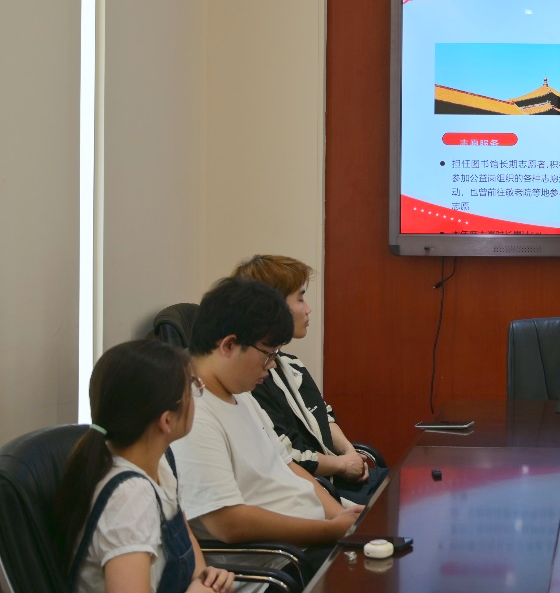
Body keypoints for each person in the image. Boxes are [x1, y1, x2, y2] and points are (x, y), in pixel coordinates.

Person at [171, 278, 361, 563]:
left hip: (312, 540)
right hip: (281, 561)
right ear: (229, 345)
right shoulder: (193, 415)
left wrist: (340, 516)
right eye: (268, 354)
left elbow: (287, 465)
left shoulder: (241, 394)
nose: (271, 366)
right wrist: (329, 531)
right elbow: (227, 523)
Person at [55, 339, 235, 593]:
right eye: (192, 388)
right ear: (166, 421)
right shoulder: (129, 499)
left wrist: (205, 578)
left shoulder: (160, 463)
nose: (197, 395)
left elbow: (187, 542)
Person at [230, 254, 387, 505]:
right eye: (300, 298)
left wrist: (350, 454)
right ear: (273, 307)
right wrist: (341, 465)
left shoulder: (290, 364)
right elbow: (286, 457)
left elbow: (322, 414)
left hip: (335, 478)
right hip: (315, 488)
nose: (308, 308)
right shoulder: (251, 381)